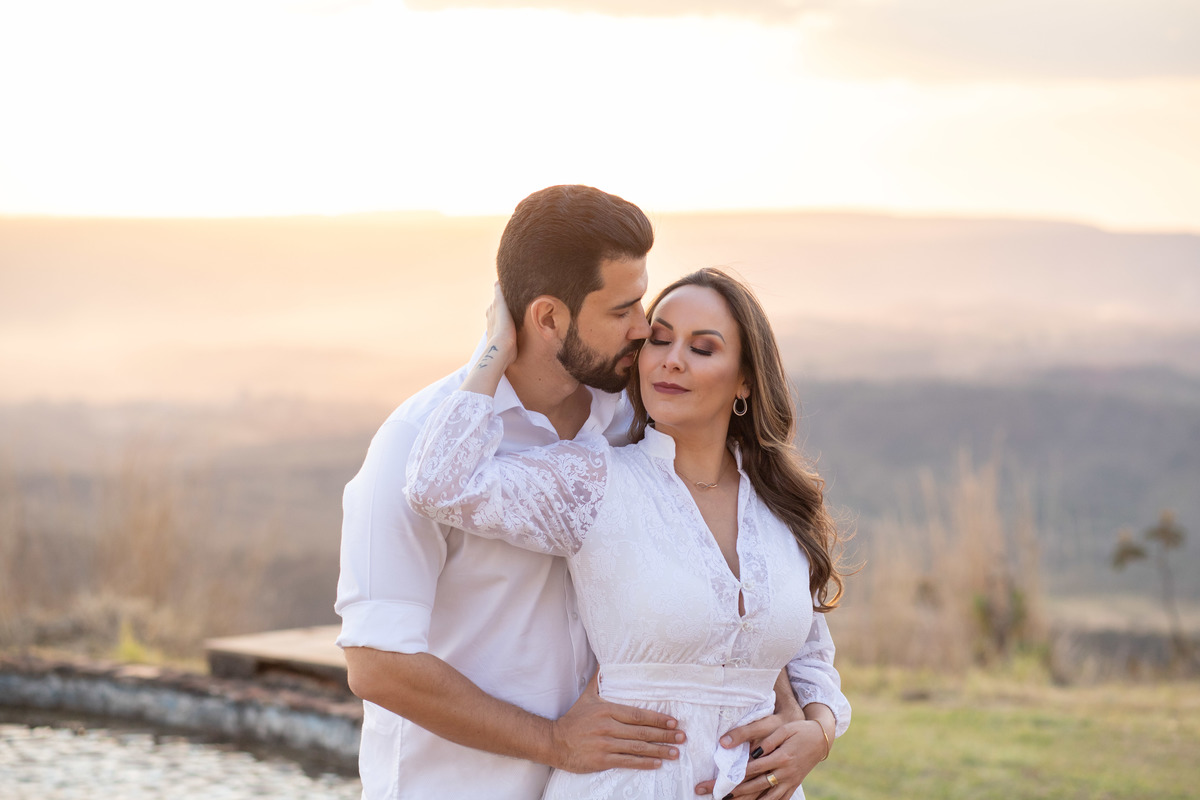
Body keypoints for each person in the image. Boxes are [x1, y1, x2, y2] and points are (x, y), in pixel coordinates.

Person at [405, 267, 850, 799]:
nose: (672, 359)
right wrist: (494, 349)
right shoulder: (595, 481)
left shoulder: (781, 503)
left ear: (745, 381)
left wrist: (820, 732)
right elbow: (438, 484)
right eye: (658, 340)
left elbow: (808, 655)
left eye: (702, 348)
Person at [335, 185, 685, 799]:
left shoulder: (637, 426)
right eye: (621, 310)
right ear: (548, 318)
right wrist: (553, 742)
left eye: (643, 302)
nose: (644, 327)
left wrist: (804, 715)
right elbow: (378, 665)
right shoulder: (413, 442)